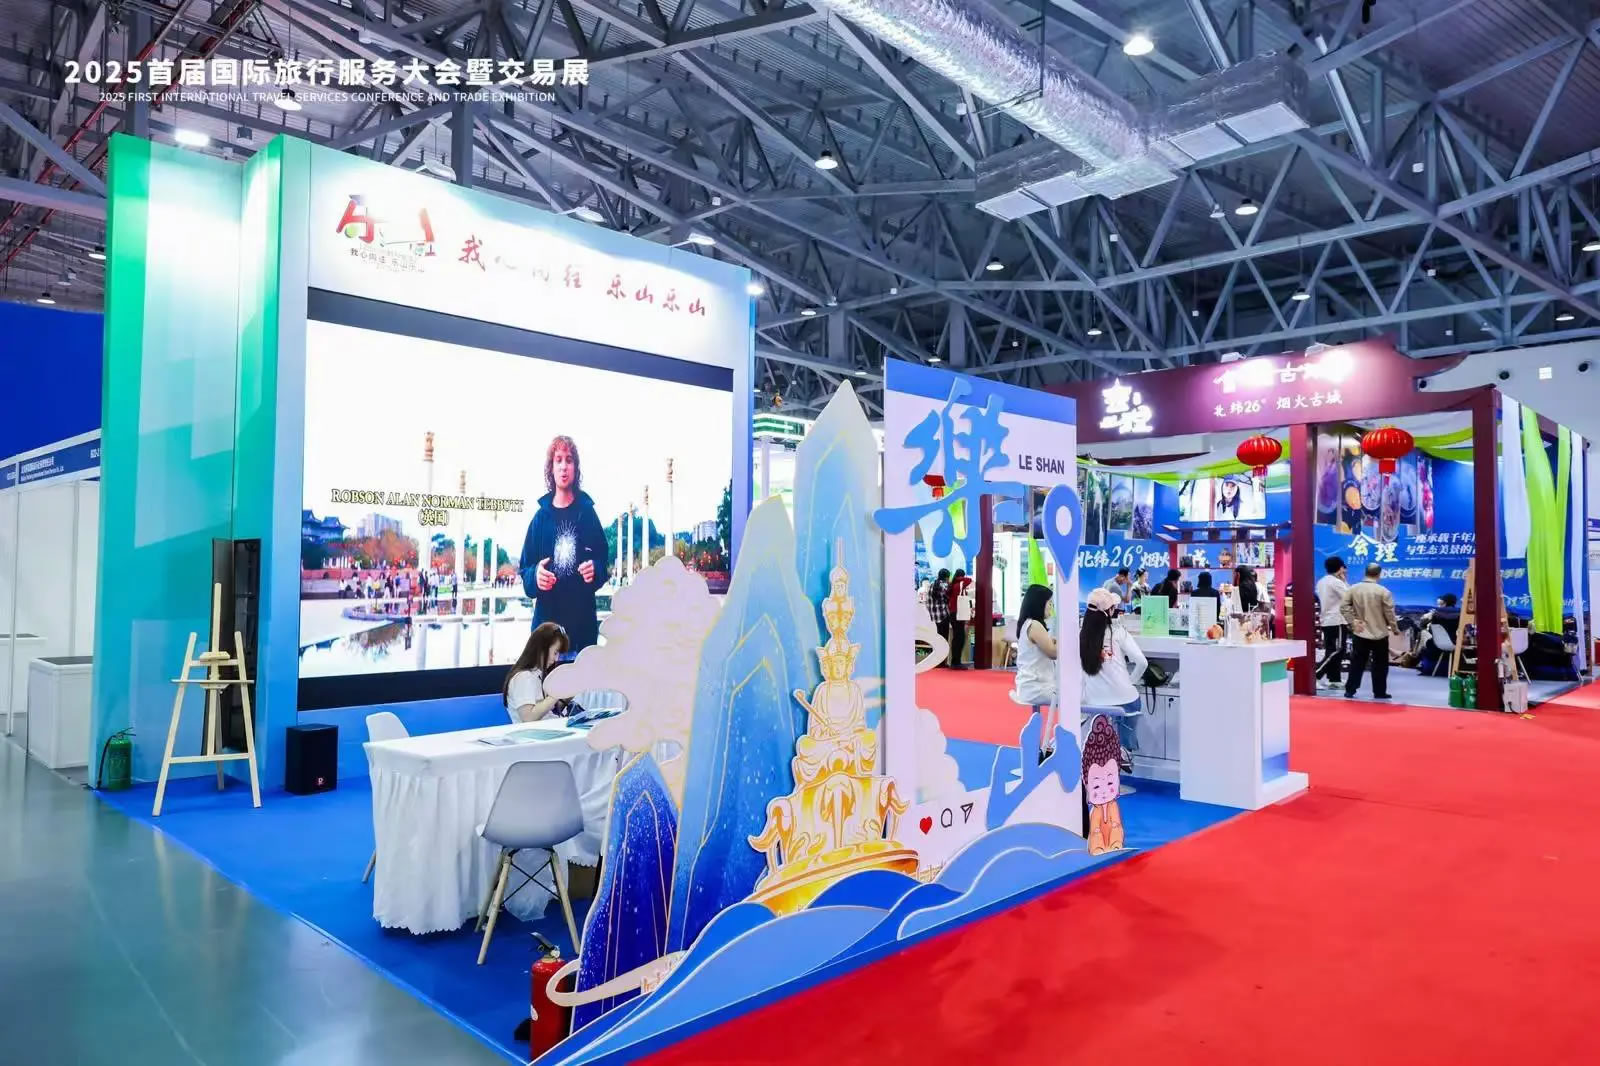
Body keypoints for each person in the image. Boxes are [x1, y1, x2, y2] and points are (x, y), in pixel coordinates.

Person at [519, 435, 611, 653]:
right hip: (546, 633)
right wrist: (535, 576)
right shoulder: (540, 519)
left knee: (583, 676)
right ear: (551, 468)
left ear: (575, 468)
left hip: (582, 631)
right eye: (558, 460)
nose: (563, 466)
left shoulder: (587, 513)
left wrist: (595, 568)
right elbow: (525, 569)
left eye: (569, 460)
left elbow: (603, 561)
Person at [1080, 587, 1147, 773]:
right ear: (1109, 611)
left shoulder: (1080, 635)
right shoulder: (1118, 632)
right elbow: (1142, 662)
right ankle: (1124, 750)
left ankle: (1104, 754)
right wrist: (1130, 682)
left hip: (1092, 703)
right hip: (1124, 701)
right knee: (1132, 704)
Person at [1341, 563, 1399, 699]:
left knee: (1357, 662)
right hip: (1380, 633)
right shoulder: (1383, 591)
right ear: (1379, 574)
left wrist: (1352, 622)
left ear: (1365, 572)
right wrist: (1394, 628)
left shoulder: (1353, 589)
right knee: (1380, 664)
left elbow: (1344, 607)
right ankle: (1379, 692)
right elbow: (1389, 613)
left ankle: (1350, 690)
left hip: (1360, 631)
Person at [503, 622, 572, 722]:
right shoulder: (523, 677)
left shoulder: (536, 675)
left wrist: (568, 695)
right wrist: (556, 694)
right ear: (542, 648)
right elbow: (528, 718)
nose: (556, 659)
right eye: (555, 653)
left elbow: (545, 710)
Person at [1013, 583, 1057, 709]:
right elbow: (1053, 653)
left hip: (1031, 686)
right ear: (1040, 603)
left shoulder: (1027, 624)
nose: (1051, 607)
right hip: (1037, 688)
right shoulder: (1035, 625)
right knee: (1077, 695)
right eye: (1049, 603)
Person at [1315, 556, 1350, 689]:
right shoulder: (1336, 582)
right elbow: (1349, 596)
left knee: (1331, 650)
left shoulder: (1321, 581)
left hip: (1327, 619)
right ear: (1340, 568)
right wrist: (1344, 580)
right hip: (1337, 619)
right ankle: (1315, 675)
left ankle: (1334, 679)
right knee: (1337, 650)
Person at [946, 569, 973, 668]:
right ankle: (956, 662)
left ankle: (955, 661)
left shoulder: (953, 585)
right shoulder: (959, 584)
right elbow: (969, 580)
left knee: (957, 637)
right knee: (959, 638)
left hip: (953, 613)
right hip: (959, 613)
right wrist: (960, 578)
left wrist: (956, 578)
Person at [926, 568, 951, 666]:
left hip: (935, 617)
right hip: (943, 615)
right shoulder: (944, 586)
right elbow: (948, 599)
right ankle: (942, 662)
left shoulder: (932, 585)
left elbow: (928, 602)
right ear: (946, 577)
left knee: (939, 639)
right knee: (944, 640)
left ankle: (938, 662)